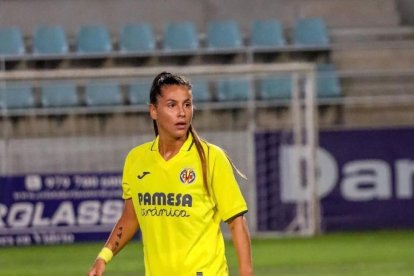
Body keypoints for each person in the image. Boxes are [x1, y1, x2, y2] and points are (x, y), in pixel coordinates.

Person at [87, 72, 253, 276]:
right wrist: (104, 256)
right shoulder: (136, 160)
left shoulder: (212, 158)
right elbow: (131, 217)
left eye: (187, 104)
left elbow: (237, 222)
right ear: (154, 111)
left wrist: (246, 273)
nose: (182, 112)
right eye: (172, 105)